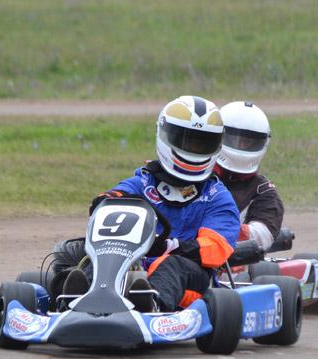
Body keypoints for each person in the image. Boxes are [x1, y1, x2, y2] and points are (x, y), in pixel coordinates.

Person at [55, 96, 240, 312]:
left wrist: (171, 246)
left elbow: (216, 248)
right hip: (131, 265)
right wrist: (105, 201)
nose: (192, 150)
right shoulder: (144, 181)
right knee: (98, 260)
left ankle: (150, 304)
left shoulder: (217, 197)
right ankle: (74, 301)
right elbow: (111, 199)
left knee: (173, 266)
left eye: (202, 144)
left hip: (189, 279)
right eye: (185, 140)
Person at [213, 101, 283, 252]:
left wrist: (226, 231)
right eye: (234, 139)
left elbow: (263, 233)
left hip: (233, 261)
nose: (241, 146)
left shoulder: (262, 190)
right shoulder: (199, 176)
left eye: (248, 142)